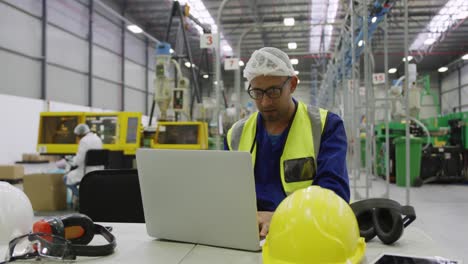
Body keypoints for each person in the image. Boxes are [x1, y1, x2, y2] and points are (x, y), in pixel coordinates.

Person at [225, 47, 350, 237]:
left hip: (307, 234)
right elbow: (226, 193)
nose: (265, 102)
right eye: (257, 92)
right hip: (250, 235)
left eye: (273, 91)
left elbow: (334, 196)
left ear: (292, 84)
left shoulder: (325, 126)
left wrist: (281, 217)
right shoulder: (236, 134)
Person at [63, 123, 103, 196]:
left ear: (79, 134)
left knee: (66, 178)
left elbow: (78, 161)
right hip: (99, 171)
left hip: (86, 172)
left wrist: (71, 160)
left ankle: (83, 198)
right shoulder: (97, 139)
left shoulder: (84, 141)